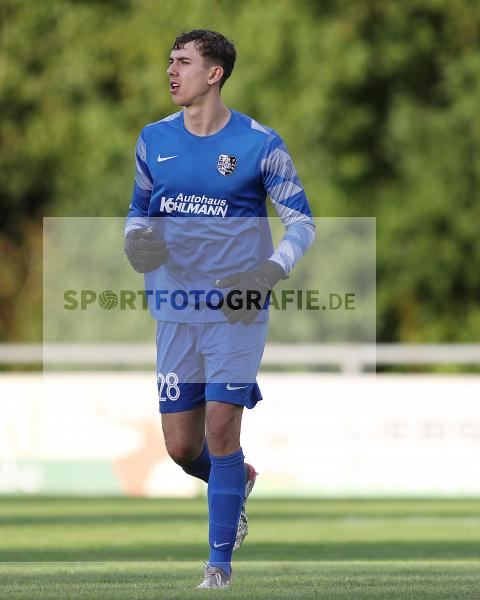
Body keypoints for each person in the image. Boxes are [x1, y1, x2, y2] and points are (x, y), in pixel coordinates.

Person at [124, 29, 315, 589]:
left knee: (220, 427)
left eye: (182, 61)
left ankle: (218, 568)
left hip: (237, 310)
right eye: (169, 60)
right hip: (176, 310)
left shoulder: (261, 144)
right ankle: (239, 479)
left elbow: (302, 224)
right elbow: (137, 216)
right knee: (184, 448)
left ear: (215, 74)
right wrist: (137, 242)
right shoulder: (152, 140)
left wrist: (268, 272)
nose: (170, 70)